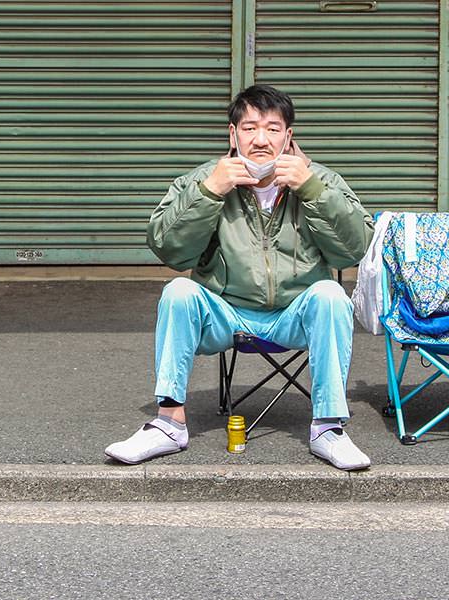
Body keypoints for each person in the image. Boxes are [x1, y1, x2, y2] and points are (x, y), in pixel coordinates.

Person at [105, 85, 374, 470]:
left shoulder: (321, 180)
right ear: (233, 135)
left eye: (272, 129)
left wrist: (313, 190)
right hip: (226, 314)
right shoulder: (202, 180)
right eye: (249, 128)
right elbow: (169, 249)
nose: (261, 140)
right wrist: (210, 192)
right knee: (179, 291)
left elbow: (354, 249)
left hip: (293, 316)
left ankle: (329, 427)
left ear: (288, 136)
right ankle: (169, 423)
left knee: (331, 293)